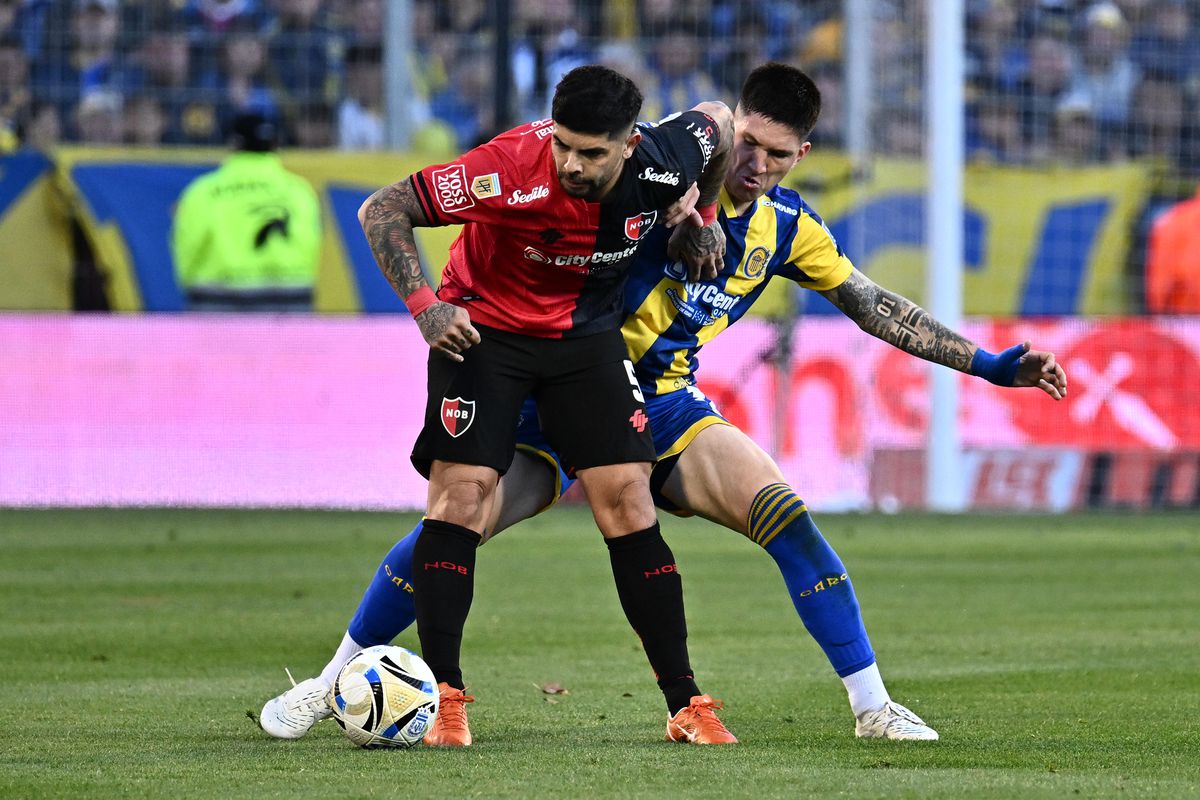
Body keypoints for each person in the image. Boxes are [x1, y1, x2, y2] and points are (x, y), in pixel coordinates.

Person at [260, 62, 1067, 745]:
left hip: (659, 398)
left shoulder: (787, 231)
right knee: (457, 518)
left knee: (784, 513)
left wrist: (993, 365)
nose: (755, 164)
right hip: (554, 372)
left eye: (776, 156)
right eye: (748, 144)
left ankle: (870, 706)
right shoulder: (654, 173)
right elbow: (672, 149)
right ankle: (334, 680)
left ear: (799, 157)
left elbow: (872, 303)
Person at [261, 65, 738, 747]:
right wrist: (426, 306)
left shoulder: (667, 160)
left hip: (584, 339)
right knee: (461, 499)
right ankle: (446, 697)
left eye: (591, 153)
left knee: (629, 500)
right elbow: (382, 208)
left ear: (630, 144)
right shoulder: (506, 169)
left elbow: (719, 118)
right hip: (486, 333)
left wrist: (703, 216)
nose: (572, 163)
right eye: (564, 145)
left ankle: (686, 702)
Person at [171, 113, 322, 310]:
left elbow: (188, 247)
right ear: (275, 145)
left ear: (233, 144)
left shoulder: (202, 192)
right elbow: (311, 242)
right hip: (289, 299)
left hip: (219, 300)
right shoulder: (300, 191)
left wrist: (191, 287)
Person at [1145, 183, 1200, 313]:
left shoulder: (1173, 217)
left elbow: (1160, 290)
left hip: (1181, 317)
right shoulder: (1177, 219)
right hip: (1186, 315)